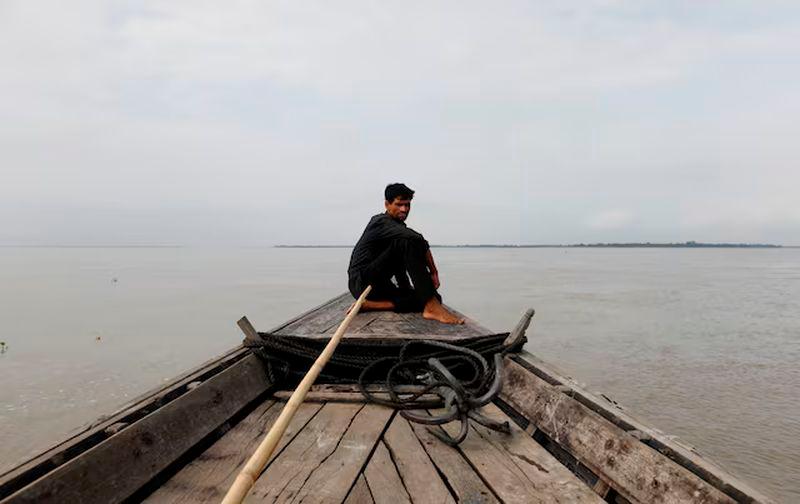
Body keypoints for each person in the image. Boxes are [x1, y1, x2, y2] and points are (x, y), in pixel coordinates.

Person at [347, 183, 464, 324]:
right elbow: (417, 239)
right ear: (387, 204)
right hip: (362, 283)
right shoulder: (380, 222)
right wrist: (433, 272)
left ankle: (371, 305)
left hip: (379, 286)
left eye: (407, 205)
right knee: (407, 241)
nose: (404, 209)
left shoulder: (398, 227)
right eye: (399, 204)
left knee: (433, 297)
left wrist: (408, 289)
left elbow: (398, 263)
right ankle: (431, 307)